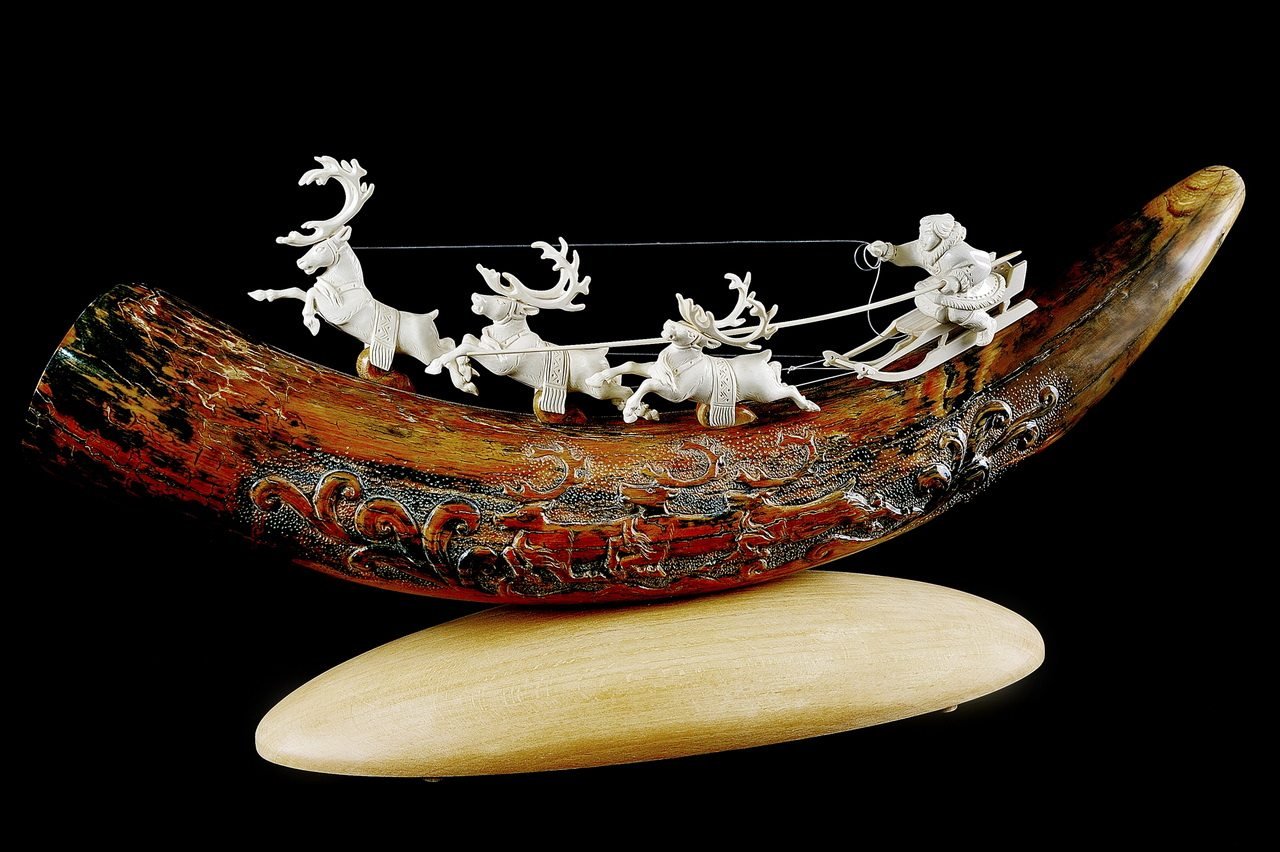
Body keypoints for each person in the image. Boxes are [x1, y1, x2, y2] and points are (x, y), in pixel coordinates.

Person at [867, 213, 1003, 345]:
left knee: (957, 314)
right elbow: (903, 253)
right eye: (921, 233)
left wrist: (956, 281)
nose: (922, 239)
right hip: (942, 284)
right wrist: (886, 250)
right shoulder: (922, 248)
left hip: (971, 287)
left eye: (927, 234)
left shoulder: (958, 250)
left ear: (941, 236)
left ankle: (986, 324)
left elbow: (983, 265)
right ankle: (942, 315)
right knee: (920, 298)